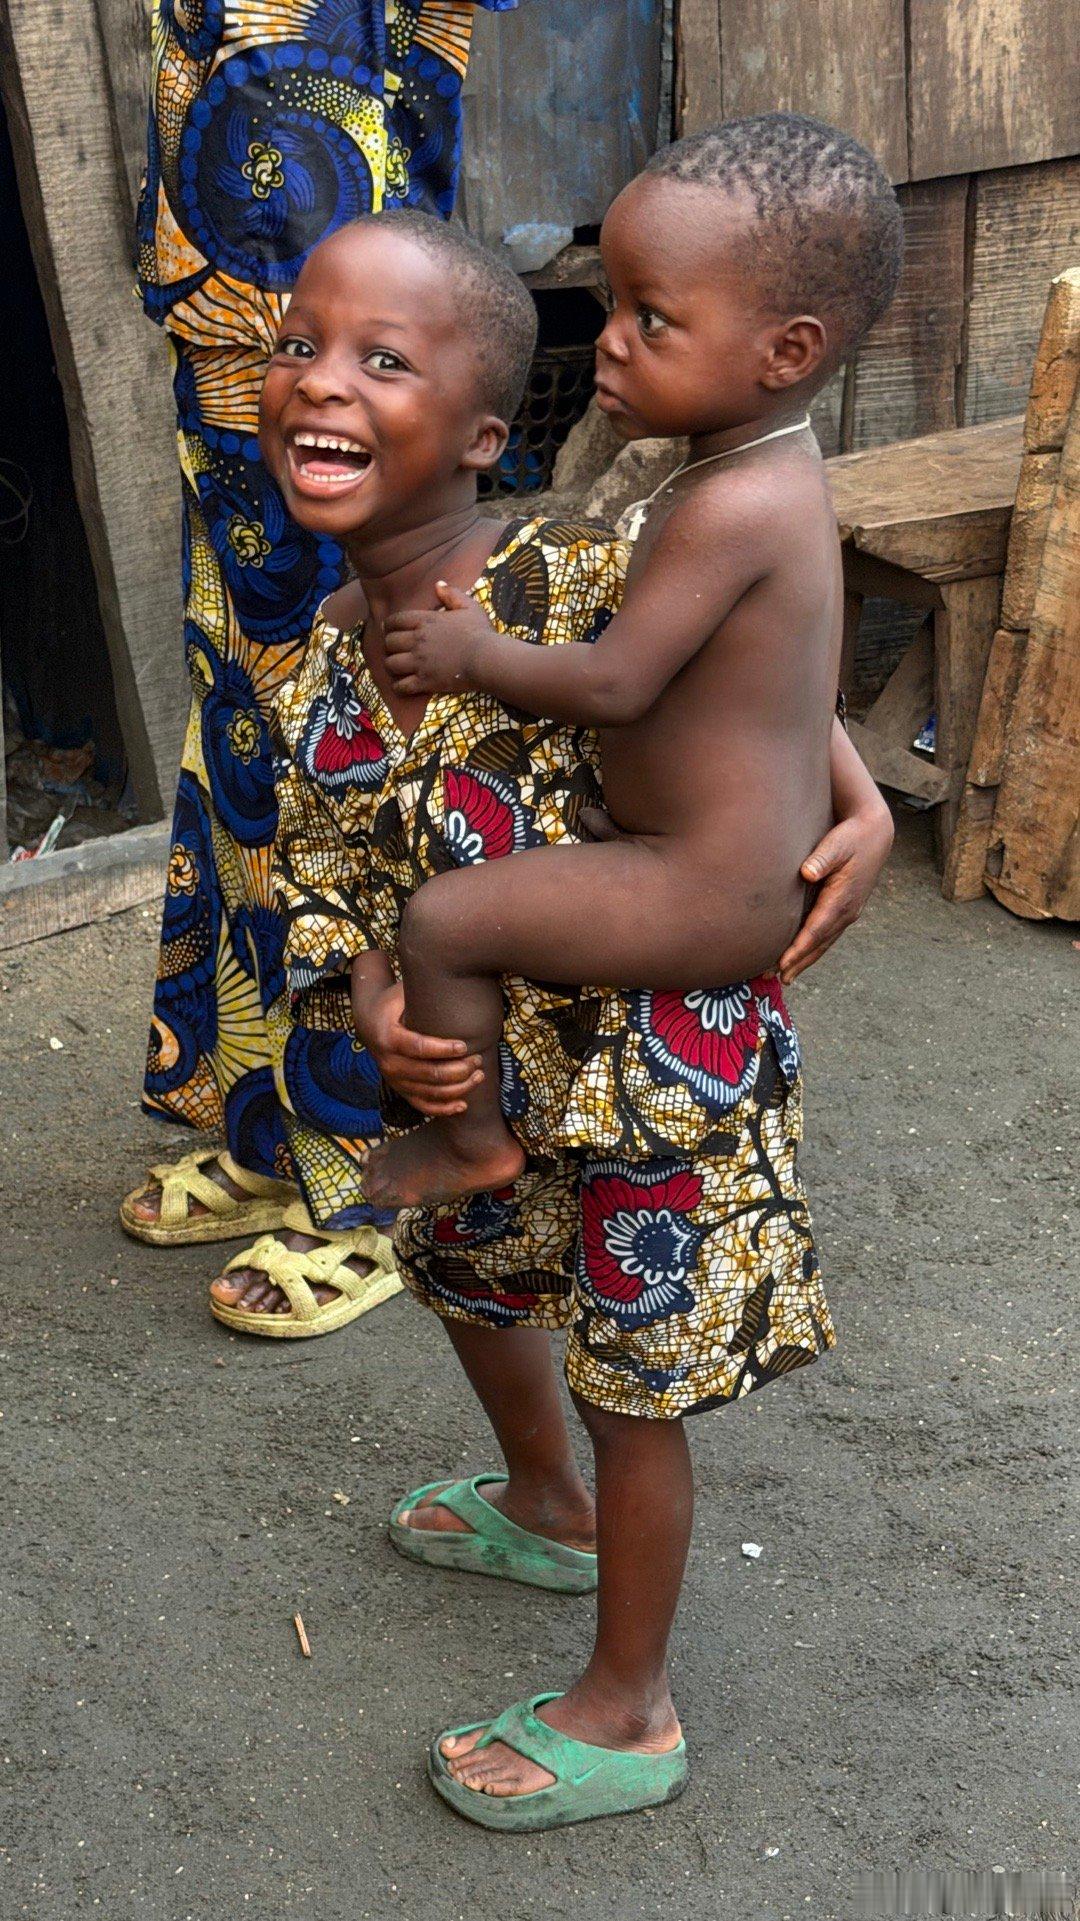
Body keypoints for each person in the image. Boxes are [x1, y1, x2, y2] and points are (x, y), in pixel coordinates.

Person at [261, 141, 896, 1829]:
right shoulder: (322, 661)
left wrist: (854, 788)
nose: (321, 383)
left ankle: (629, 1705)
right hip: (484, 1075)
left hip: (655, 1068)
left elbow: (730, 666)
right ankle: (543, 1506)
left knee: (640, 1377)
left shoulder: (544, 576)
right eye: (298, 348)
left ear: (485, 435)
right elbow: (329, 873)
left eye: (383, 363)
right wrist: (370, 998)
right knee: (471, 1276)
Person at [359, 114, 901, 1211]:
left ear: (785, 352)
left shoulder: (731, 504)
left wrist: (474, 649)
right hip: (710, 860)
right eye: (615, 303)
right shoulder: (759, 469)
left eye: (652, 318)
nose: (609, 338)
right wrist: (866, 802)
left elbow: (616, 684)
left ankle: (474, 1145)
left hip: (703, 888)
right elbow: (794, 690)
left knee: (443, 923)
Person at [120, 0, 519, 1337]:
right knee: (241, 728)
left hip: (331, 239)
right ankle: (265, 1113)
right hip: (236, 328)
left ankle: (368, 1164)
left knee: (345, 768)